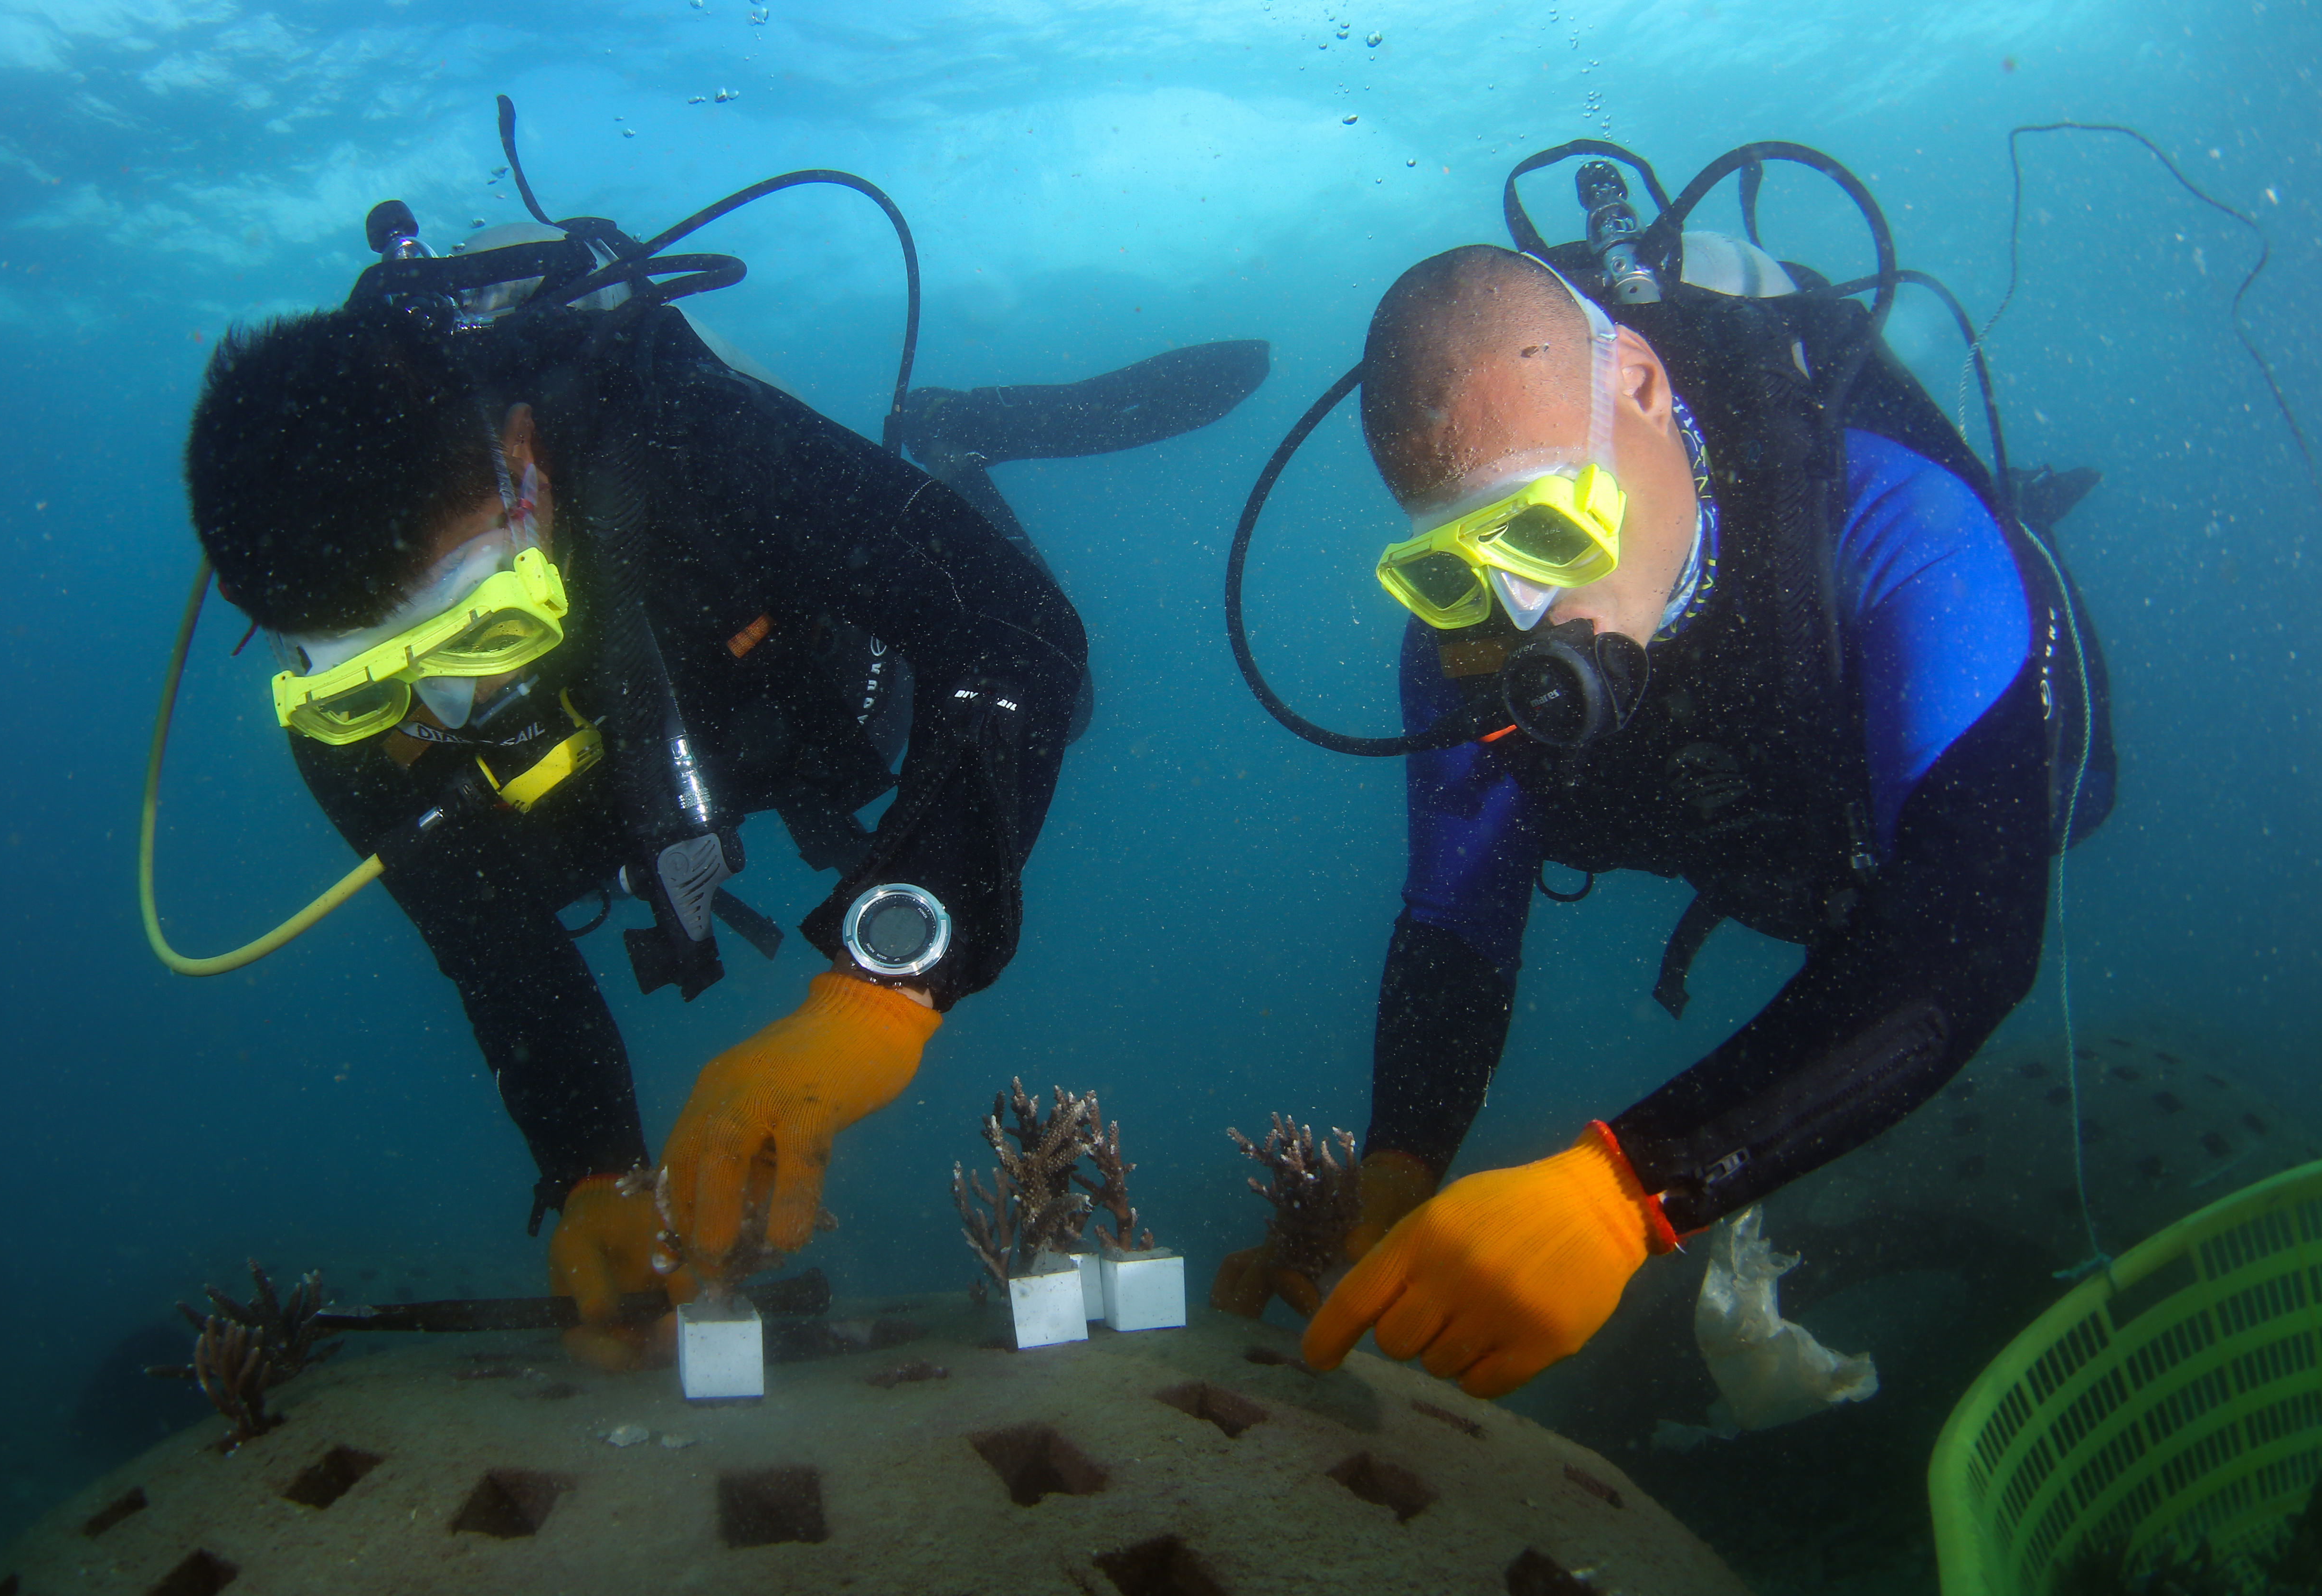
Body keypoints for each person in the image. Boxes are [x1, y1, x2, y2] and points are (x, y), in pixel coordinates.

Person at [183, 273, 1262, 1368]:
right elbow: (490, 944)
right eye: (371, 688)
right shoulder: (323, 694)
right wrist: (592, 1168)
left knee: (1053, 710)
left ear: (525, 461)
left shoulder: (681, 432)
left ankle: (944, 441)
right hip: (658, 759)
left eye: (481, 628)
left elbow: (1015, 634)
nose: (458, 714)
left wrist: (881, 990)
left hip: (817, 689)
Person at [1214, 236, 2111, 1399]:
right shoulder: (1468, 654)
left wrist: (1630, 1188)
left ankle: (2028, 517)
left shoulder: (1900, 528)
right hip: (1763, 844)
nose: (1522, 610)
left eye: (1543, 528)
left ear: (1640, 384)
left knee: (2069, 805)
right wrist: (1392, 1179)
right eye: (1454, 564)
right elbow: (1455, 925)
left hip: (1939, 759)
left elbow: (1971, 928)